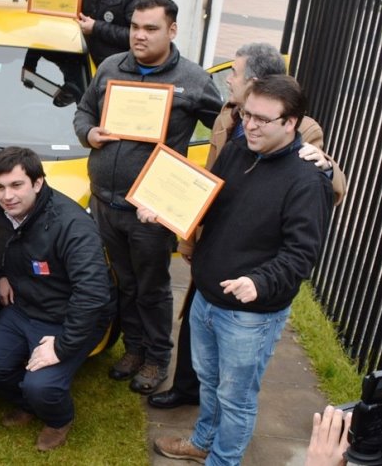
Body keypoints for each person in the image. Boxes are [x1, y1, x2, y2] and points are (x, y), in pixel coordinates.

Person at [148, 42, 347, 410]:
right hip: (214, 248)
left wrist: (326, 164)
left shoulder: (303, 140)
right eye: (247, 116)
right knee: (199, 339)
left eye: (234, 74)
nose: (228, 81)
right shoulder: (230, 116)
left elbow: (317, 190)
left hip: (251, 279)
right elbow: (210, 187)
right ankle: (190, 397)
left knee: (235, 391)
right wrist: (171, 213)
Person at [73, 0, 223, 394]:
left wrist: (193, 187)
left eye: (150, 29)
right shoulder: (109, 67)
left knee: (153, 287)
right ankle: (134, 350)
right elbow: (84, 110)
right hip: (104, 202)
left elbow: (227, 132)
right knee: (124, 282)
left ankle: (157, 359)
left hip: (151, 213)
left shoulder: (194, 81)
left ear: (172, 31)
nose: (139, 36)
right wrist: (89, 132)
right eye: (135, 27)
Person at [0, 147, 117, 451]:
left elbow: (93, 295)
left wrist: (61, 346)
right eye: (0, 187)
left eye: (16, 185)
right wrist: (0, 274)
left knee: (42, 385)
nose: (6, 196)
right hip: (25, 307)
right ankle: (29, 403)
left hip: (69, 316)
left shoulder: (72, 226)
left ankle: (58, 418)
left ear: (38, 183)